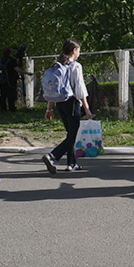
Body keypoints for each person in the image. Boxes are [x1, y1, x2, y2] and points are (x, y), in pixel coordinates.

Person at [42, 39, 93, 174]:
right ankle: (52, 156)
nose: (79, 53)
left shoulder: (57, 65)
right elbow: (80, 90)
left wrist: (49, 108)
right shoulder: (75, 66)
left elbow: (51, 90)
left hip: (60, 103)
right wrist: (87, 109)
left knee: (70, 133)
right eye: (78, 50)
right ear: (74, 51)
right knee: (72, 134)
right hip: (72, 103)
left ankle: (72, 163)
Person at [0, 46, 23, 112]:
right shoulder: (12, 61)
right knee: (11, 95)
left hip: (2, 80)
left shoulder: (0, 61)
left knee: (3, 95)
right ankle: (12, 108)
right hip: (10, 81)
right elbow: (17, 69)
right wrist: (26, 72)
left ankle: (3, 108)